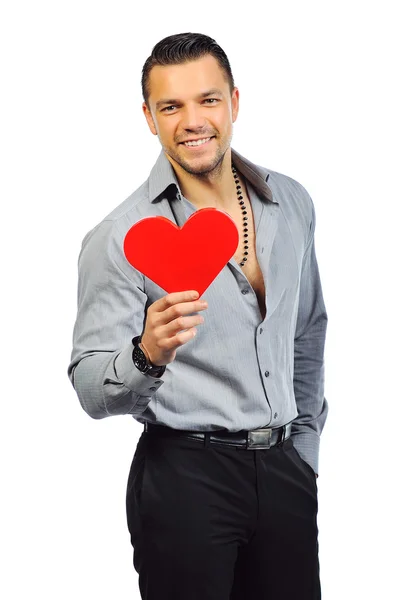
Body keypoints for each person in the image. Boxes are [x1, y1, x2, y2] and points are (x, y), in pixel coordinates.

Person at [67, 32, 328, 600]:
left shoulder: (292, 202)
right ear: (149, 118)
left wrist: (303, 450)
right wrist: (146, 354)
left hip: (285, 472)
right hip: (186, 478)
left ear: (234, 102)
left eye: (207, 100)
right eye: (171, 106)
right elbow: (89, 387)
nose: (193, 120)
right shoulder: (119, 239)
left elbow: (307, 331)